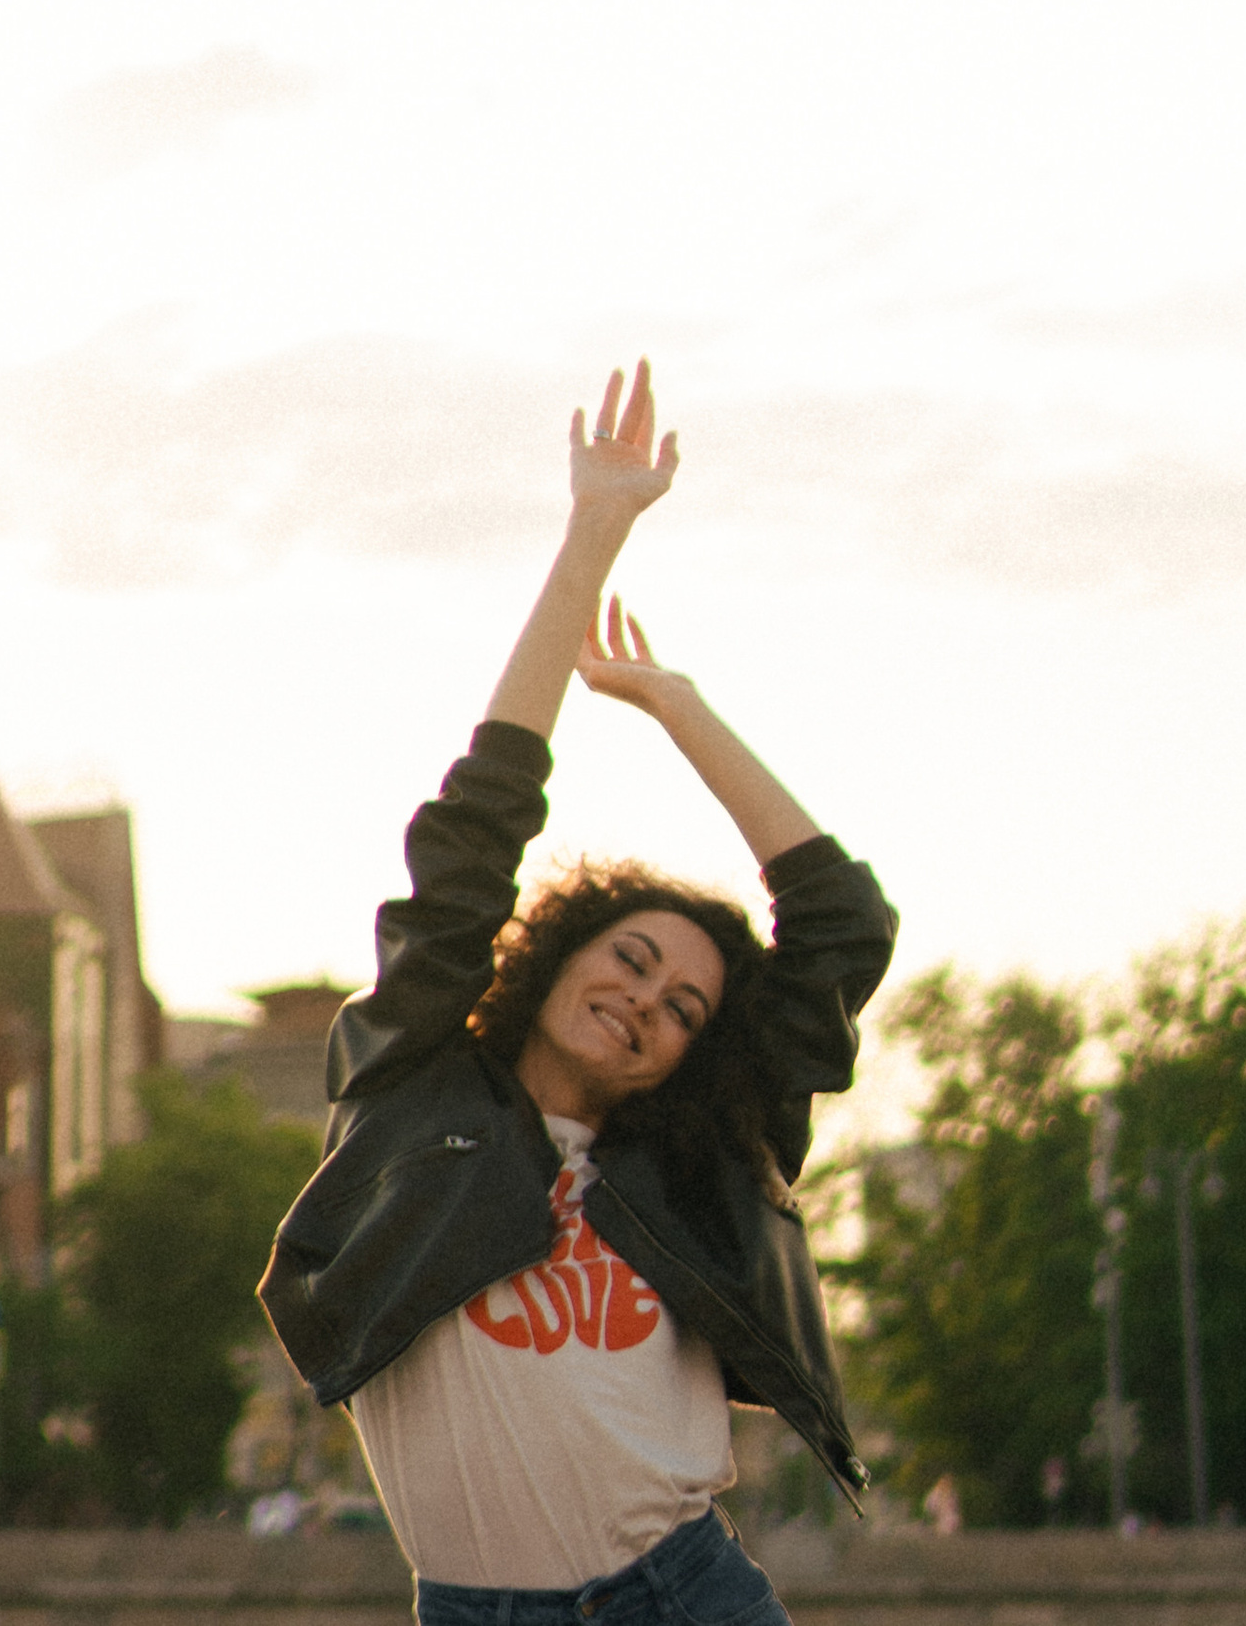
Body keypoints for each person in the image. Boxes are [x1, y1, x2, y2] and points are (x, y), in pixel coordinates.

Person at [259, 364, 896, 1626]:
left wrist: (680, 708)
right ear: (562, 952)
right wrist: (591, 535)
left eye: (683, 1011)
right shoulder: (412, 1096)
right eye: (634, 958)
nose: (646, 1002)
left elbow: (839, 925)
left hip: (683, 1594)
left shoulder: (694, 1158)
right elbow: (469, 833)